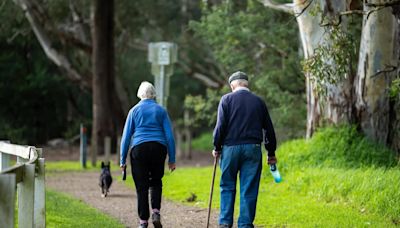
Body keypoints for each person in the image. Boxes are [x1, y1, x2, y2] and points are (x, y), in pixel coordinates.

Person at [212, 71, 277, 228]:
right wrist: (271, 152)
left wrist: (217, 146)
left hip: (230, 149)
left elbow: (220, 126)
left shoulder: (226, 99)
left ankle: (225, 222)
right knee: (249, 188)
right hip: (253, 148)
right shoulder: (258, 102)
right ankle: (245, 224)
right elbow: (269, 129)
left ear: (232, 85)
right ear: (246, 84)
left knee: (227, 185)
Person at [120, 81, 176, 228]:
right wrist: (172, 158)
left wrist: (122, 159)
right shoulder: (161, 110)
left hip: (139, 149)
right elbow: (169, 136)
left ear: (140, 95)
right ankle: (156, 212)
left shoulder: (134, 111)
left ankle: (143, 222)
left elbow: (126, 137)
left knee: (141, 186)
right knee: (156, 181)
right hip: (159, 148)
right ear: (153, 95)